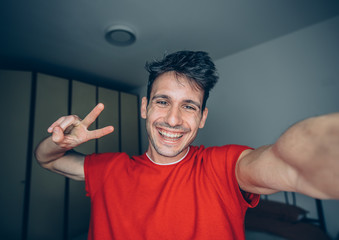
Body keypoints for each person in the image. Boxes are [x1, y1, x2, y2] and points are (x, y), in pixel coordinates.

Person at [35, 51, 339, 240]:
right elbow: (47, 160)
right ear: (144, 107)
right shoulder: (110, 168)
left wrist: (319, 147)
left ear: (202, 117)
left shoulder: (223, 167)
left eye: (189, 107)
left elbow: (286, 163)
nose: (173, 119)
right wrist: (57, 142)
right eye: (162, 102)